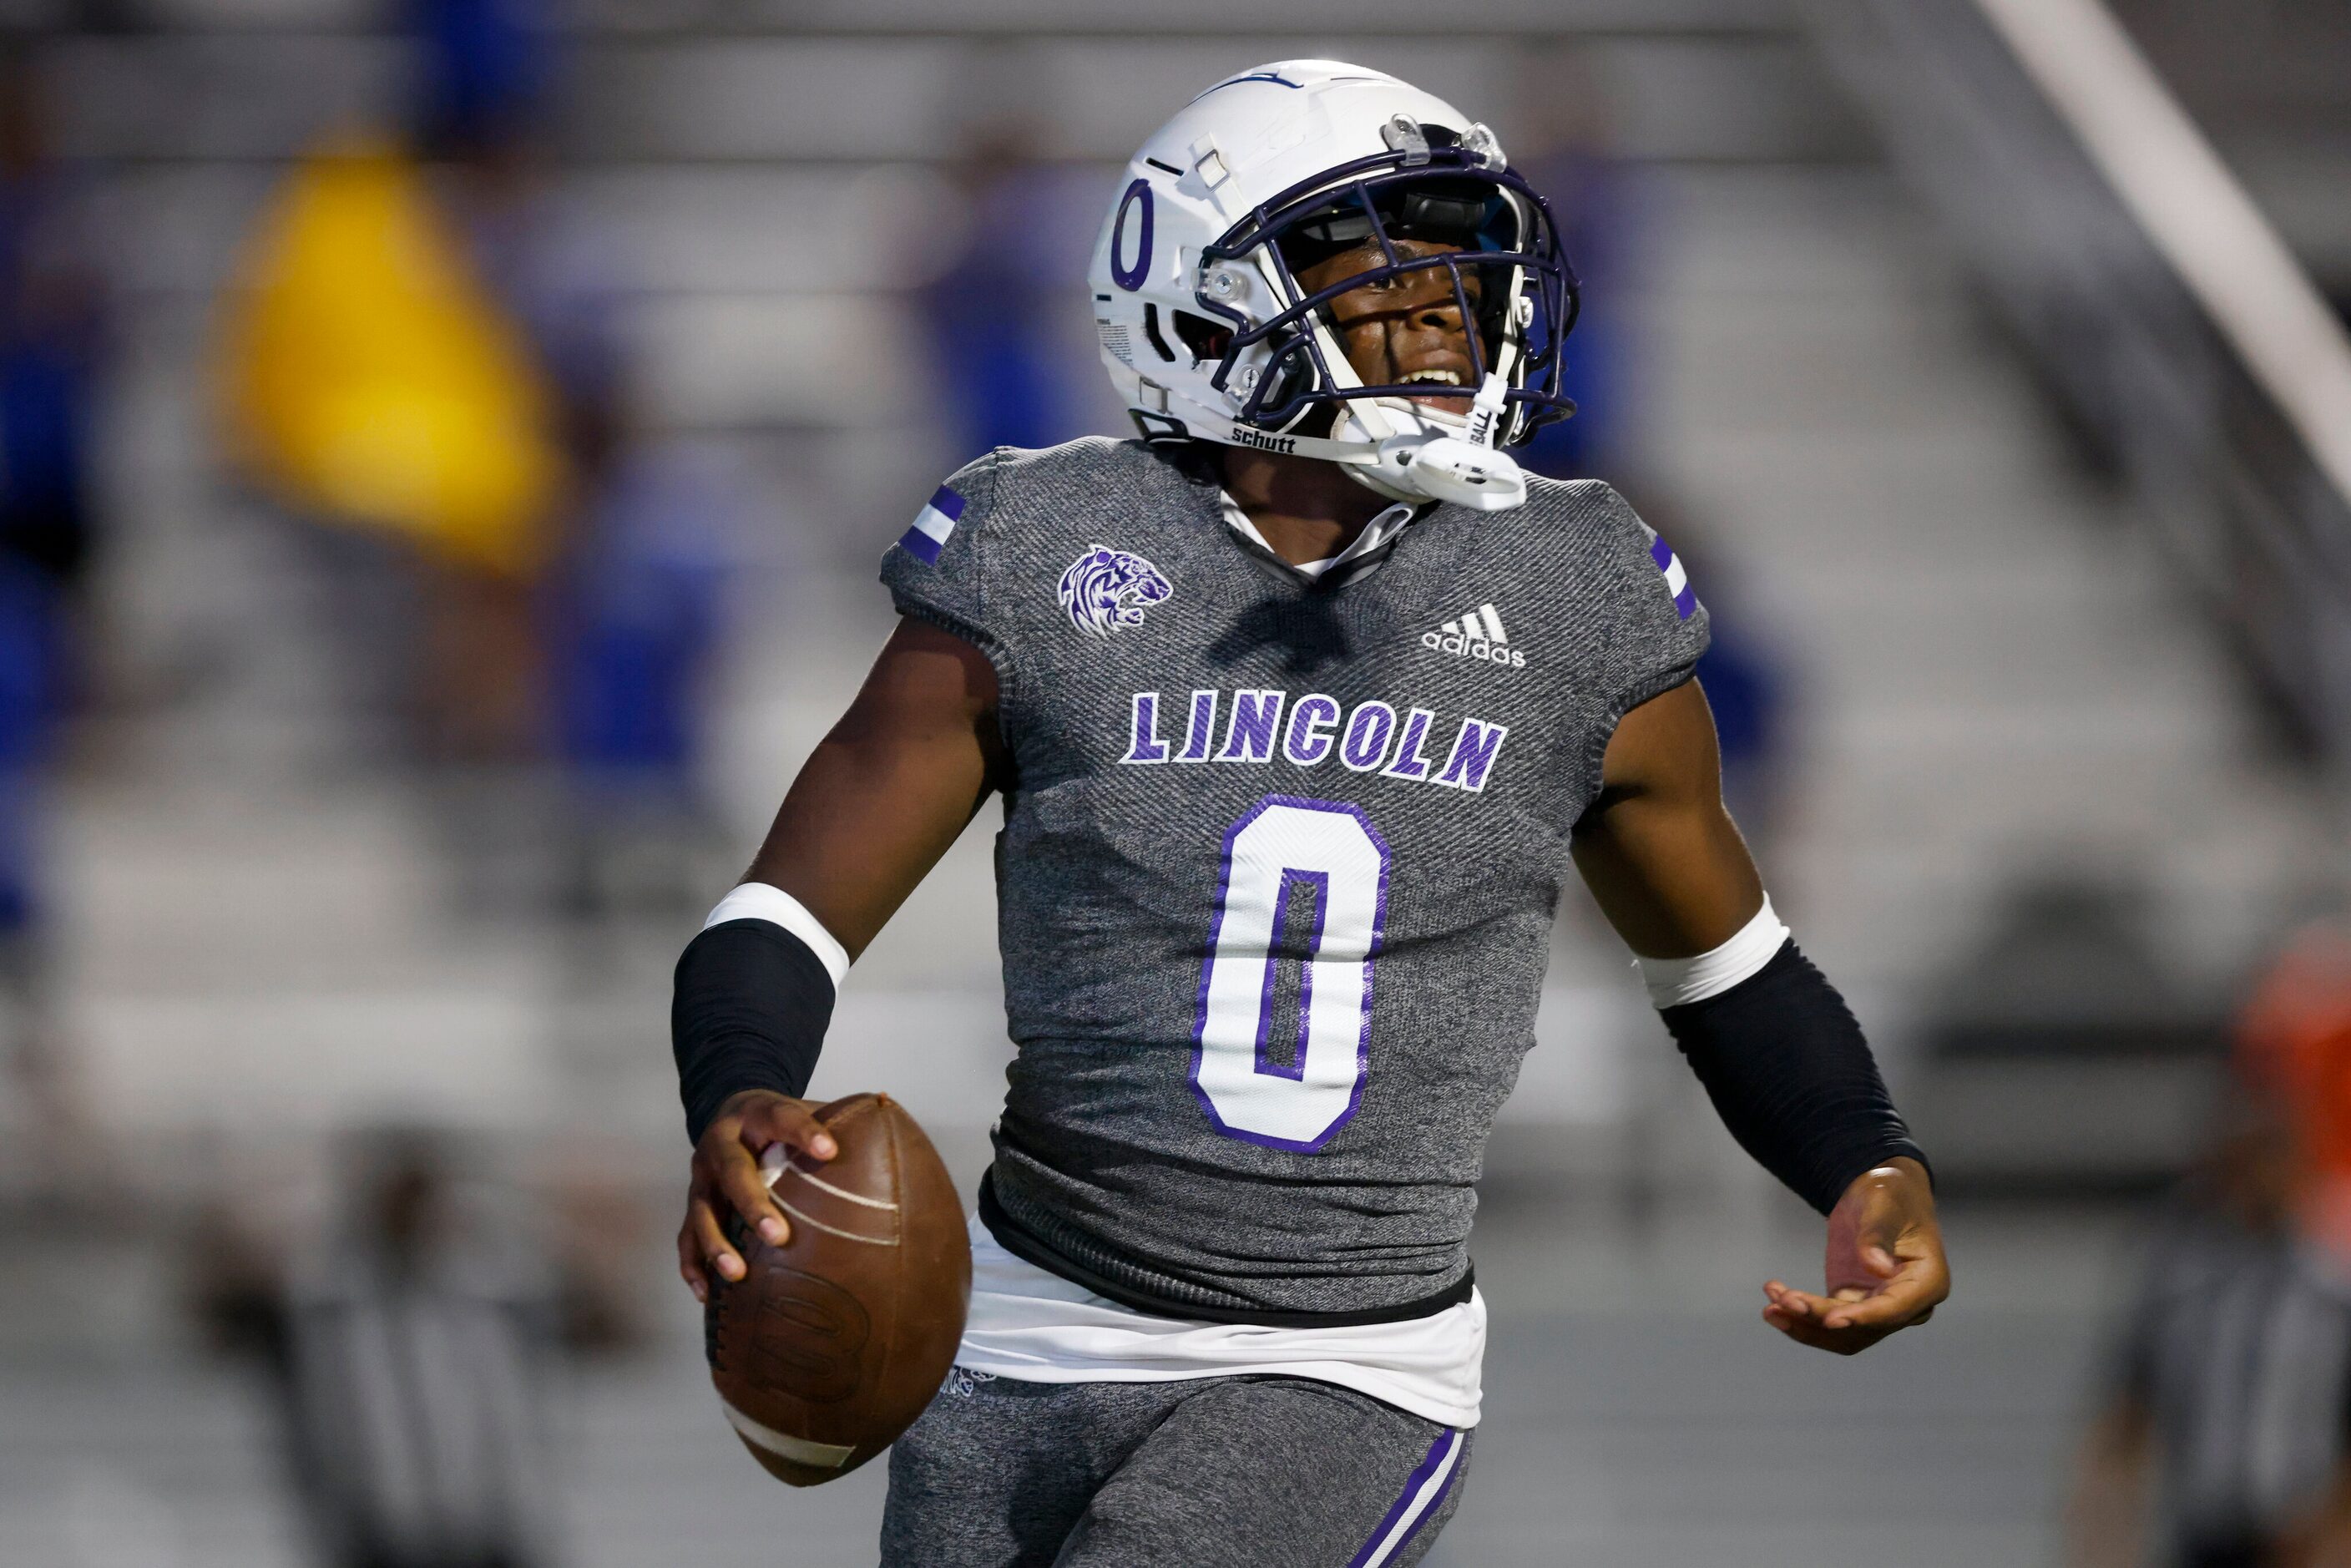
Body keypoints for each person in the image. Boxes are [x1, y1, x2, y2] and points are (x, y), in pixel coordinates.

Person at [669, 61, 1948, 1566]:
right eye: (1384, 278)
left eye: (1462, 280)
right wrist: (740, 1084)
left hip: (1346, 1357)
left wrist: (1866, 1158)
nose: (1448, 321)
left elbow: (1728, 967)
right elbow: (789, 907)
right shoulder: (1047, 548)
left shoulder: (1578, 587)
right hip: (1023, 1325)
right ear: (1206, 309)